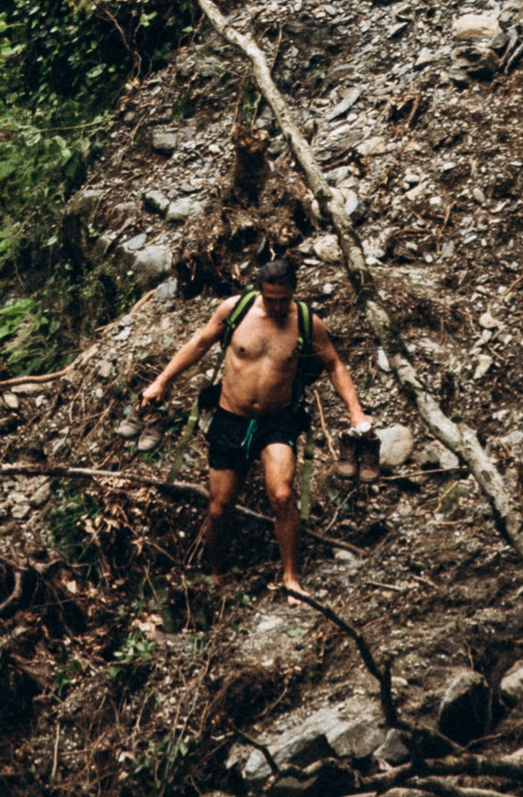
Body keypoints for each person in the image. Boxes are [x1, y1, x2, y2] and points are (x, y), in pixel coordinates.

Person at [141, 252, 374, 595]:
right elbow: (199, 344)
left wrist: (356, 411)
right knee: (219, 507)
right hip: (230, 417)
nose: (277, 306)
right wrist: (161, 382)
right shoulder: (234, 311)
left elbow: (334, 364)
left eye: (283, 300)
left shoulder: (306, 322)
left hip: (277, 420)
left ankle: (291, 578)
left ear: (293, 291)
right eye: (270, 299)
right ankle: (218, 577)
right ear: (260, 291)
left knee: (282, 495)